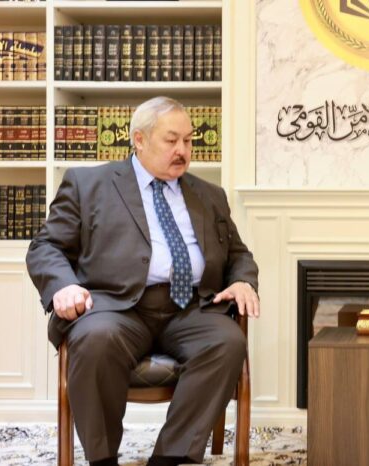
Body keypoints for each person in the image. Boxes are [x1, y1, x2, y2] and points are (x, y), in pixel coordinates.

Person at [26, 96, 260, 466]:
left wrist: (243, 281)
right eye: (172, 140)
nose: (183, 150)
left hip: (190, 309)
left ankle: (171, 457)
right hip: (116, 308)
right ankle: (103, 459)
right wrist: (63, 286)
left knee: (227, 342)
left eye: (188, 140)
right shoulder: (88, 184)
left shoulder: (209, 195)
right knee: (95, 338)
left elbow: (238, 253)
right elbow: (46, 246)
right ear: (139, 139)